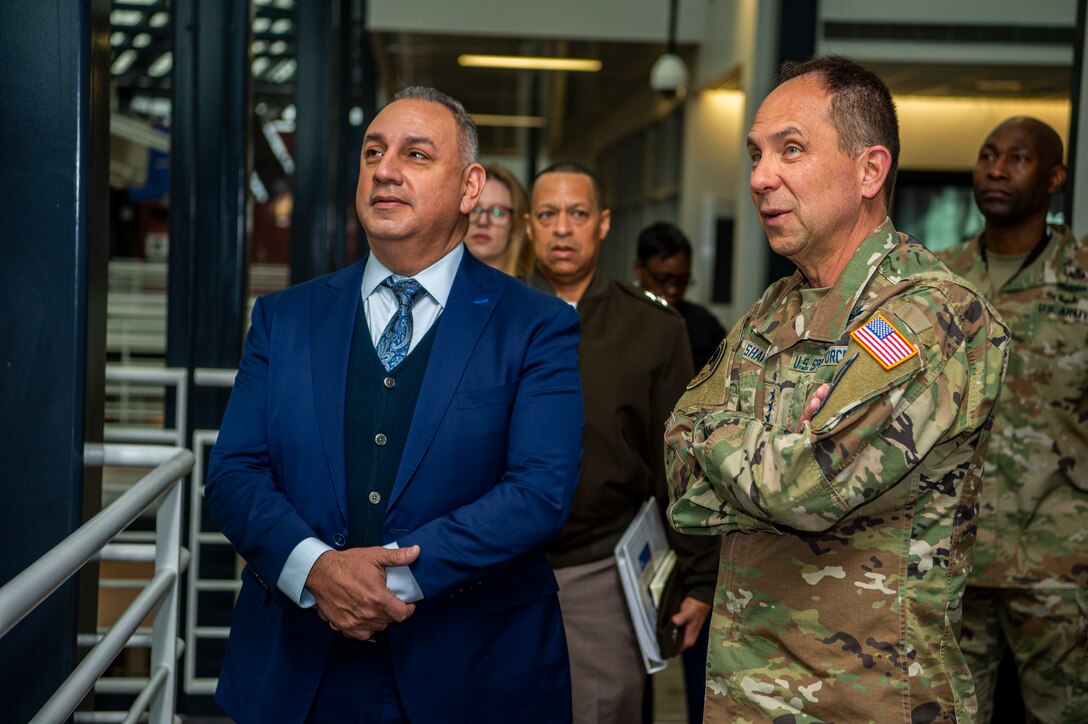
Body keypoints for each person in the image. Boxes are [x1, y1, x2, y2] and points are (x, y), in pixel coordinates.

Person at [204, 86, 584, 724]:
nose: (384, 169)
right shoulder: (285, 318)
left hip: (471, 670)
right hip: (298, 671)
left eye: (415, 154)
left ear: (470, 187)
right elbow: (235, 472)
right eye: (373, 152)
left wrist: (386, 583)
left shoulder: (536, 325)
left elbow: (540, 490)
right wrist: (317, 569)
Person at [664, 56, 1009, 722]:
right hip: (747, 693)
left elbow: (805, 491)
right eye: (756, 154)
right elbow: (679, 461)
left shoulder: (933, 314)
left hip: (868, 698)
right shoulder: (774, 308)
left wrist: (736, 438)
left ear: (869, 170)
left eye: (791, 150)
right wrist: (771, 448)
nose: (762, 177)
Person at [524, 161, 718, 724]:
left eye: (578, 214)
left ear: (603, 223)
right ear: (530, 227)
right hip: (497, 567)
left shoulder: (653, 329)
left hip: (600, 569)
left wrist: (700, 578)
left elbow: (678, 466)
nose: (563, 228)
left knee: (602, 710)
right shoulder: (488, 315)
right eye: (548, 215)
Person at [936, 117, 1088, 722]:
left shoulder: (1083, 275)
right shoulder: (939, 281)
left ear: (1054, 177)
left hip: (1059, 562)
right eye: (987, 155)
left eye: (1017, 159)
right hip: (953, 556)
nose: (996, 169)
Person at [635, 221, 727, 368]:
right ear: (639, 269)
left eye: (681, 281)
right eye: (663, 280)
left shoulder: (704, 326)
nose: (672, 290)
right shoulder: (618, 319)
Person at [465, 163, 535, 277]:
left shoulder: (533, 293)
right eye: (475, 209)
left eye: (497, 212)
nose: (483, 222)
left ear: (515, 225)